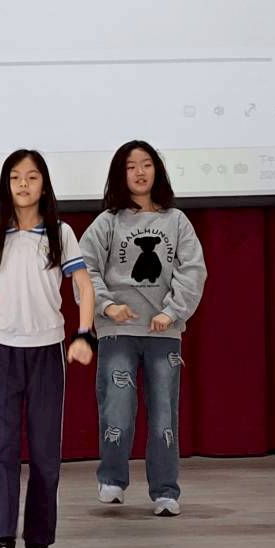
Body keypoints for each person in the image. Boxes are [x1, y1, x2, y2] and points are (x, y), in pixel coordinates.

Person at [0, 149, 95, 548]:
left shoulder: (60, 234)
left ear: (44, 185)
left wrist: (83, 334)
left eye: (32, 177)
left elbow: (85, 287)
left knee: (46, 452)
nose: (23, 184)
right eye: (16, 177)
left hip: (48, 351)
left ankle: (38, 542)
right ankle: (2, 540)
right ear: (6, 185)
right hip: (1, 352)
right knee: (1, 449)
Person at [80, 140, 206, 516]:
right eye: (131, 166)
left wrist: (172, 311)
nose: (139, 172)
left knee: (164, 413)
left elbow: (193, 270)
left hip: (162, 332)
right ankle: (112, 479)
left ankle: (165, 491)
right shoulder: (108, 221)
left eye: (147, 164)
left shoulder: (176, 220)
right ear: (120, 174)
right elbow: (84, 269)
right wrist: (107, 305)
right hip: (116, 330)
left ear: (157, 171)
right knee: (117, 407)